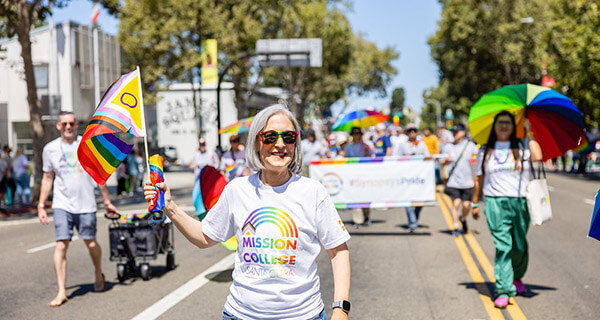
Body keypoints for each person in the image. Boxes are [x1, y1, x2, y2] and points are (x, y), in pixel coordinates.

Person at [144, 104, 351, 320]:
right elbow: (204, 237)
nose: (280, 144)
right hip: (241, 315)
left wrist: (340, 309)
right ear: (256, 142)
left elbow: (339, 252)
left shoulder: (313, 192)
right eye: (270, 137)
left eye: (288, 137)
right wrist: (170, 206)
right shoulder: (237, 190)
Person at [37, 111, 119, 307]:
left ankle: (98, 274)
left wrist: (107, 202)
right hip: (61, 204)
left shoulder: (86, 144)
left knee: (91, 243)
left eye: (71, 123)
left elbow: (99, 176)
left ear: (76, 125)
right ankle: (62, 291)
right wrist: (41, 205)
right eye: (64, 123)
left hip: (86, 204)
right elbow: (48, 178)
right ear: (58, 126)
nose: (68, 127)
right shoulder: (50, 149)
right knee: (61, 245)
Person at [472, 111, 542, 309]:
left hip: (520, 202)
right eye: (500, 122)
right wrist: (475, 203)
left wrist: (528, 132)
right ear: (494, 126)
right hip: (495, 202)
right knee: (503, 246)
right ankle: (503, 289)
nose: (504, 126)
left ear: (514, 126)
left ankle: (517, 277)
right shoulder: (485, 149)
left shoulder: (521, 146)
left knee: (519, 245)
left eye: (508, 123)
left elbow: (538, 156)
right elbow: (479, 178)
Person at [442, 124, 478, 236]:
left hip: (467, 182)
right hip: (454, 181)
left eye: (456, 131)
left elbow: (477, 160)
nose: (454, 133)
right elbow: (441, 161)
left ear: (463, 132)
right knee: (456, 204)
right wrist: (445, 161)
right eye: (453, 132)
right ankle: (455, 225)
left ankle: (463, 218)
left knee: (466, 205)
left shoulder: (470, 145)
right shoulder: (448, 147)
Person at [398, 124, 430, 232]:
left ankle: (414, 218)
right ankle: (412, 223)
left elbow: (428, 157)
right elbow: (396, 158)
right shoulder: (403, 145)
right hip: (407, 177)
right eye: (410, 131)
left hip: (419, 177)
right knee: (407, 200)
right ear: (407, 133)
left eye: (414, 131)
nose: (412, 133)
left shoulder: (422, 144)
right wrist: (408, 157)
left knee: (420, 202)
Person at [344, 126, 373, 226]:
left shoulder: (366, 145)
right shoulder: (349, 147)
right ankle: (357, 219)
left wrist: (367, 151)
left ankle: (366, 216)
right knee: (354, 195)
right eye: (354, 134)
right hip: (353, 174)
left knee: (365, 195)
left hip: (364, 174)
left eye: (358, 134)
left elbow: (371, 157)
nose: (356, 136)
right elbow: (345, 159)